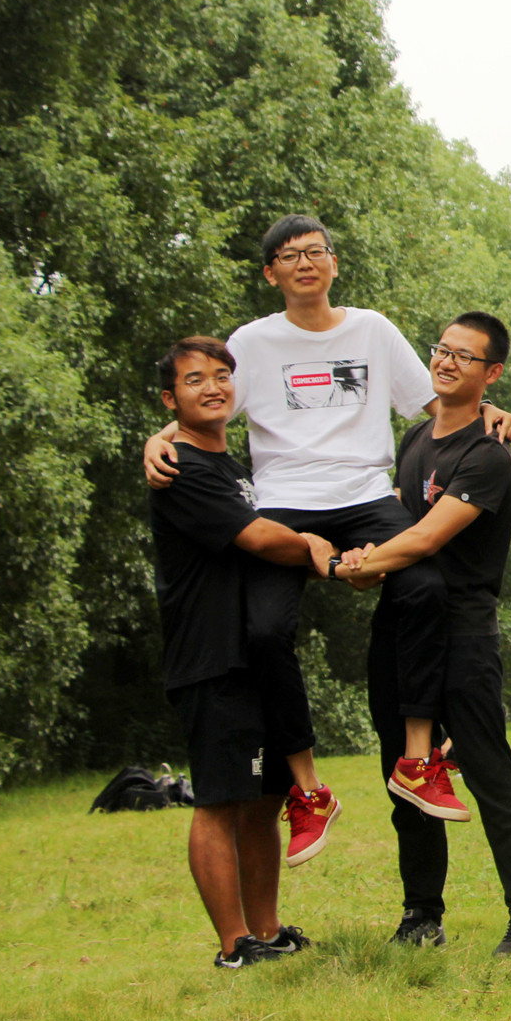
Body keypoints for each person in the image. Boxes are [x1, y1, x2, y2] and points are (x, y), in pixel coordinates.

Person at [143, 215, 511, 864]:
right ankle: (309, 790)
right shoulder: (252, 342)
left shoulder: (372, 329)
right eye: (290, 256)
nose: (305, 263)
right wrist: (158, 437)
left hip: (366, 494)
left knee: (425, 586)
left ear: (334, 263)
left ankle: (418, 757)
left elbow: (438, 404)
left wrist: (488, 407)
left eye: (316, 252)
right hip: (285, 502)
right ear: (271, 273)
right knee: (264, 631)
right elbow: (207, 403)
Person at [334, 313, 511, 956]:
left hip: (462, 633)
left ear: (492, 373)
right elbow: (396, 532)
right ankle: (420, 915)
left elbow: (427, 537)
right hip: (401, 626)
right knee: (405, 774)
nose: (447, 362)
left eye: (465, 356)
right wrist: (366, 566)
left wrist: (354, 564)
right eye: (441, 350)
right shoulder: (414, 438)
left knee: (487, 770)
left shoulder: (488, 454)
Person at [146, 336, 337, 968]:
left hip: (253, 655)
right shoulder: (181, 468)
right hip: (210, 657)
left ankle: (268, 930)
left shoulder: (232, 468)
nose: (213, 387)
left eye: (222, 375)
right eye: (194, 379)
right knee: (220, 801)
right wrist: (314, 545)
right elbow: (257, 539)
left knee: (261, 801)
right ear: (171, 400)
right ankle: (234, 946)